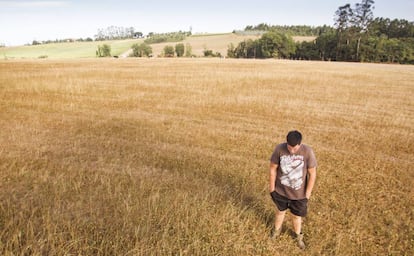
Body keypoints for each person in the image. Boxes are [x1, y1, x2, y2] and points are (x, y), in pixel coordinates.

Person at [269, 130, 317, 250]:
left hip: (299, 195)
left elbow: (312, 174)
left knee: (296, 216)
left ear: (300, 144)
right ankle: (276, 231)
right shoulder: (279, 149)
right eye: (289, 147)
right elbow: (272, 169)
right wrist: (272, 189)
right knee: (280, 212)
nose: (291, 151)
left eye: (294, 149)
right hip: (281, 191)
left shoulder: (307, 152)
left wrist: (307, 194)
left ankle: (298, 237)